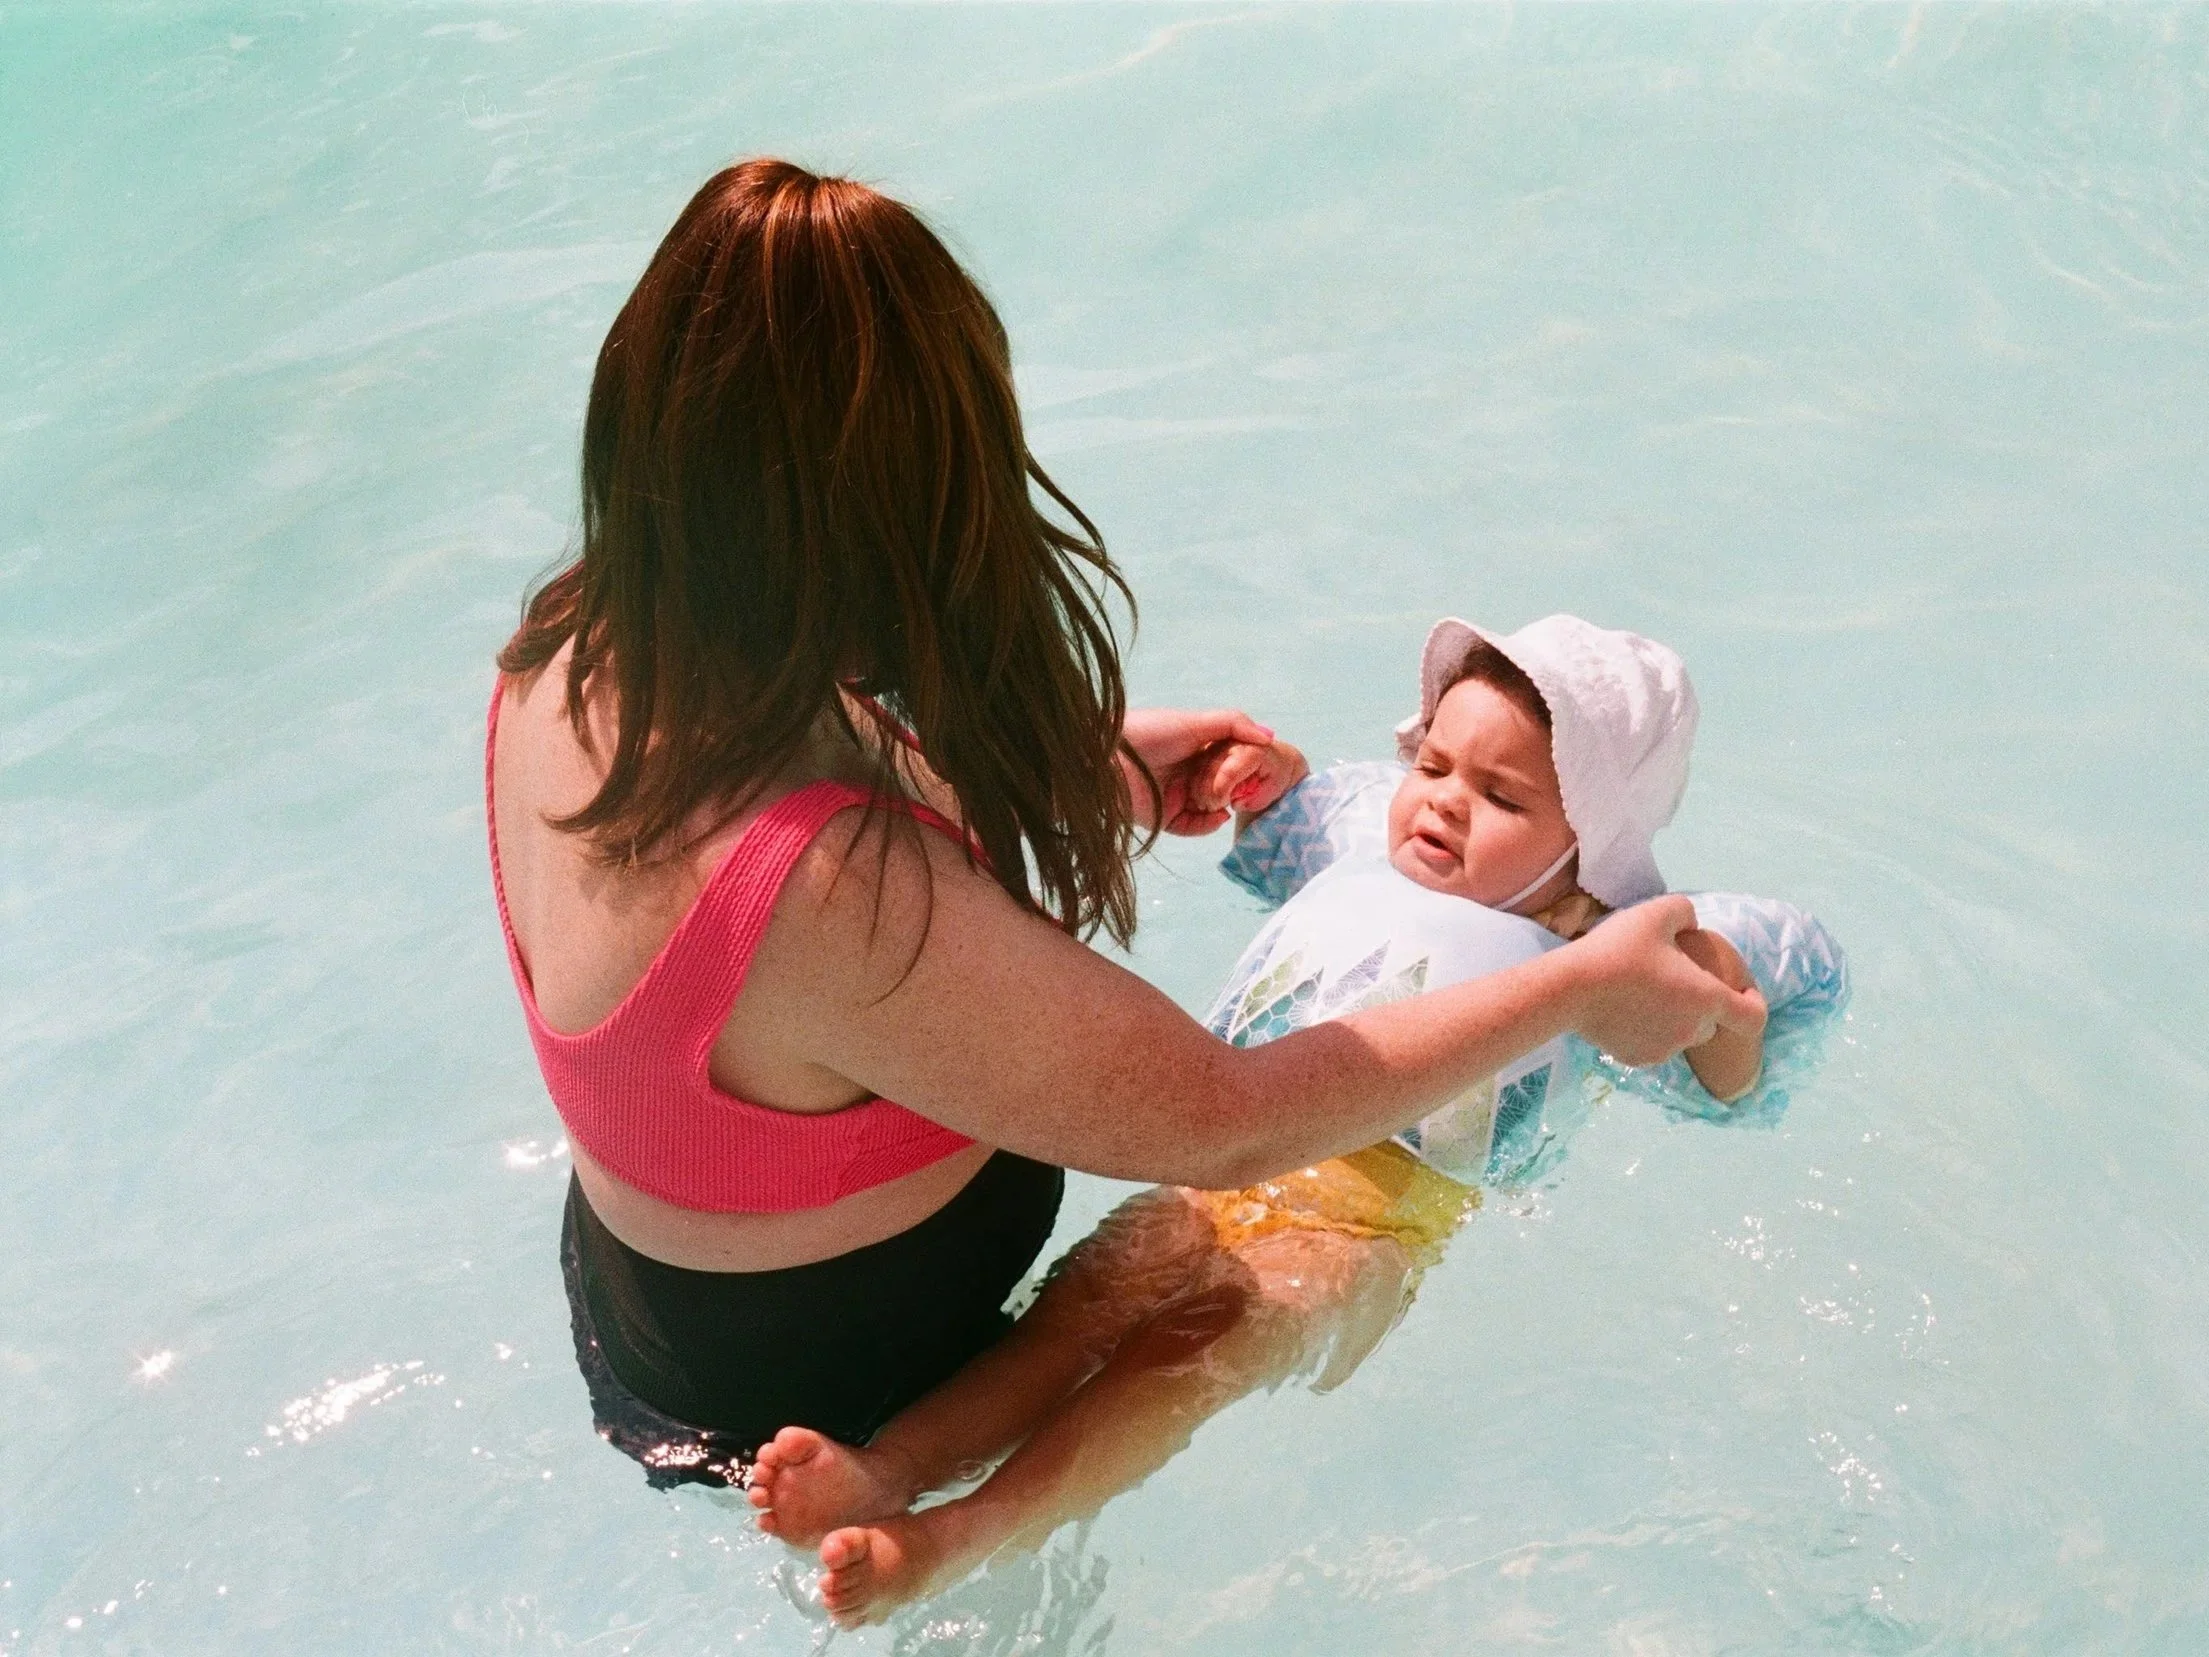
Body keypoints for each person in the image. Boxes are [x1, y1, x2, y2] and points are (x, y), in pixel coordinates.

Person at [486, 159, 1755, 1524]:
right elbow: (1227, 1121)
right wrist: (1579, 982)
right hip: (841, 1395)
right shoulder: (833, 889)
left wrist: (1081, 775)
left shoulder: (572, 647)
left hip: (650, 1311)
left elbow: (773, 827)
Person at [746, 615, 1844, 1626]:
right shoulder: (1369, 845)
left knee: (1179, 1354)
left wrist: (1721, 1007)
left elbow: (1726, 1075)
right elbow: (1278, 840)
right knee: (1073, 1315)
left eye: (1502, 799)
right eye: (1432, 764)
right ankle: (891, 1468)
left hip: (1368, 1229)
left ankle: (961, 1532)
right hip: (1216, 1165)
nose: (1444, 801)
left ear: (1589, 845)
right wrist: (1267, 784)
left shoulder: (1596, 951)